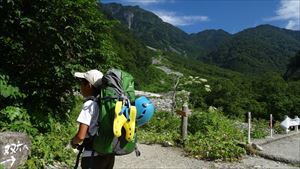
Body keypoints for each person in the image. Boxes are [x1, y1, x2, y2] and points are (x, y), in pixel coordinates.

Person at [71, 69, 115, 169]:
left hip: (92, 157)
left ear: (89, 86)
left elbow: (81, 136)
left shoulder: (89, 104)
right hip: (108, 154)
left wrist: (73, 142)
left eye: (82, 83)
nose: (80, 86)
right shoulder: (106, 104)